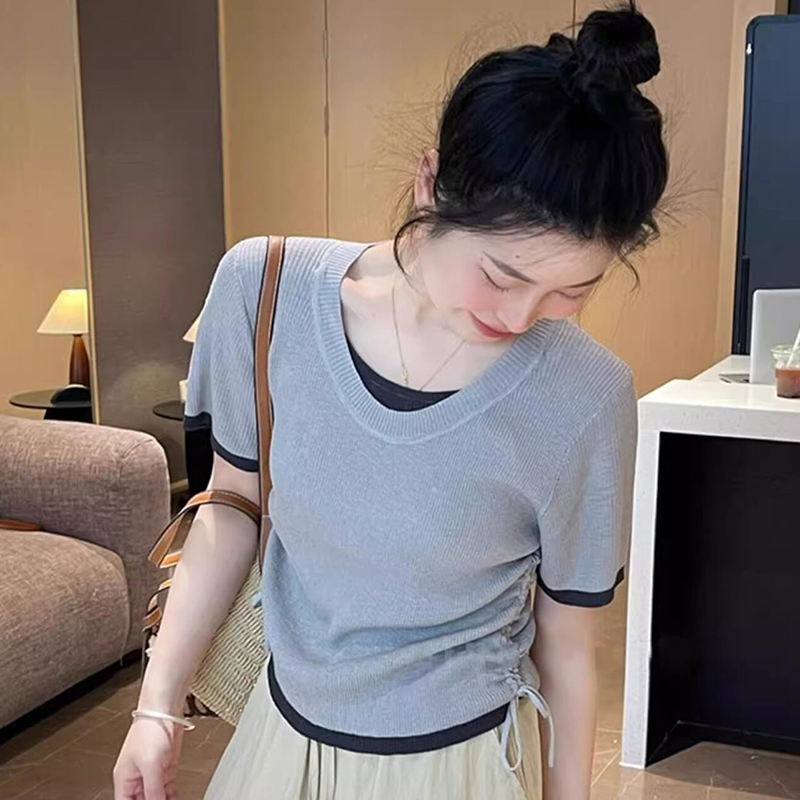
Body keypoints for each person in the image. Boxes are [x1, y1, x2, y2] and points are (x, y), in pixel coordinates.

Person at [113, 2, 667, 798]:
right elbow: (232, 508)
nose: (520, 317)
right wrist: (156, 704)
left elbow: (567, 647)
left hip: (466, 764)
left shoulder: (585, 393)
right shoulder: (264, 290)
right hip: (283, 740)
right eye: (500, 275)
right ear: (430, 182)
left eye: (570, 291)